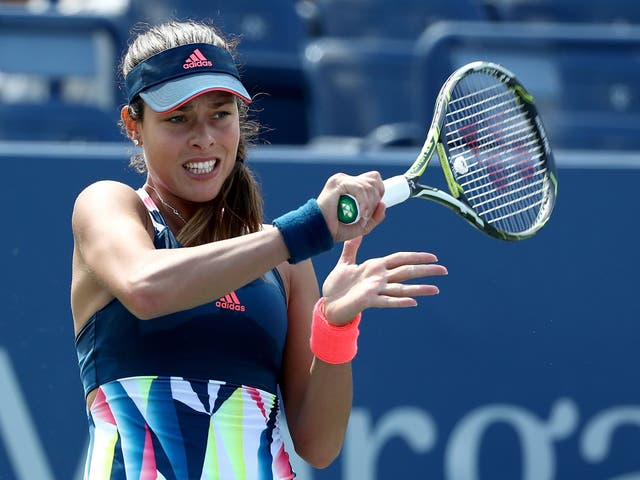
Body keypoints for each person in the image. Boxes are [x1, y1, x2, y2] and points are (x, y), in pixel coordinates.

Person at [70, 20, 447, 479]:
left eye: (220, 114)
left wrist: (335, 326)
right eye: (177, 118)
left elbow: (319, 445)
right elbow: (146, 287)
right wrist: (303, 229)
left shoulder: (286, 266)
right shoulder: (107, 205)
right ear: (134, 125)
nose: (204, 137)